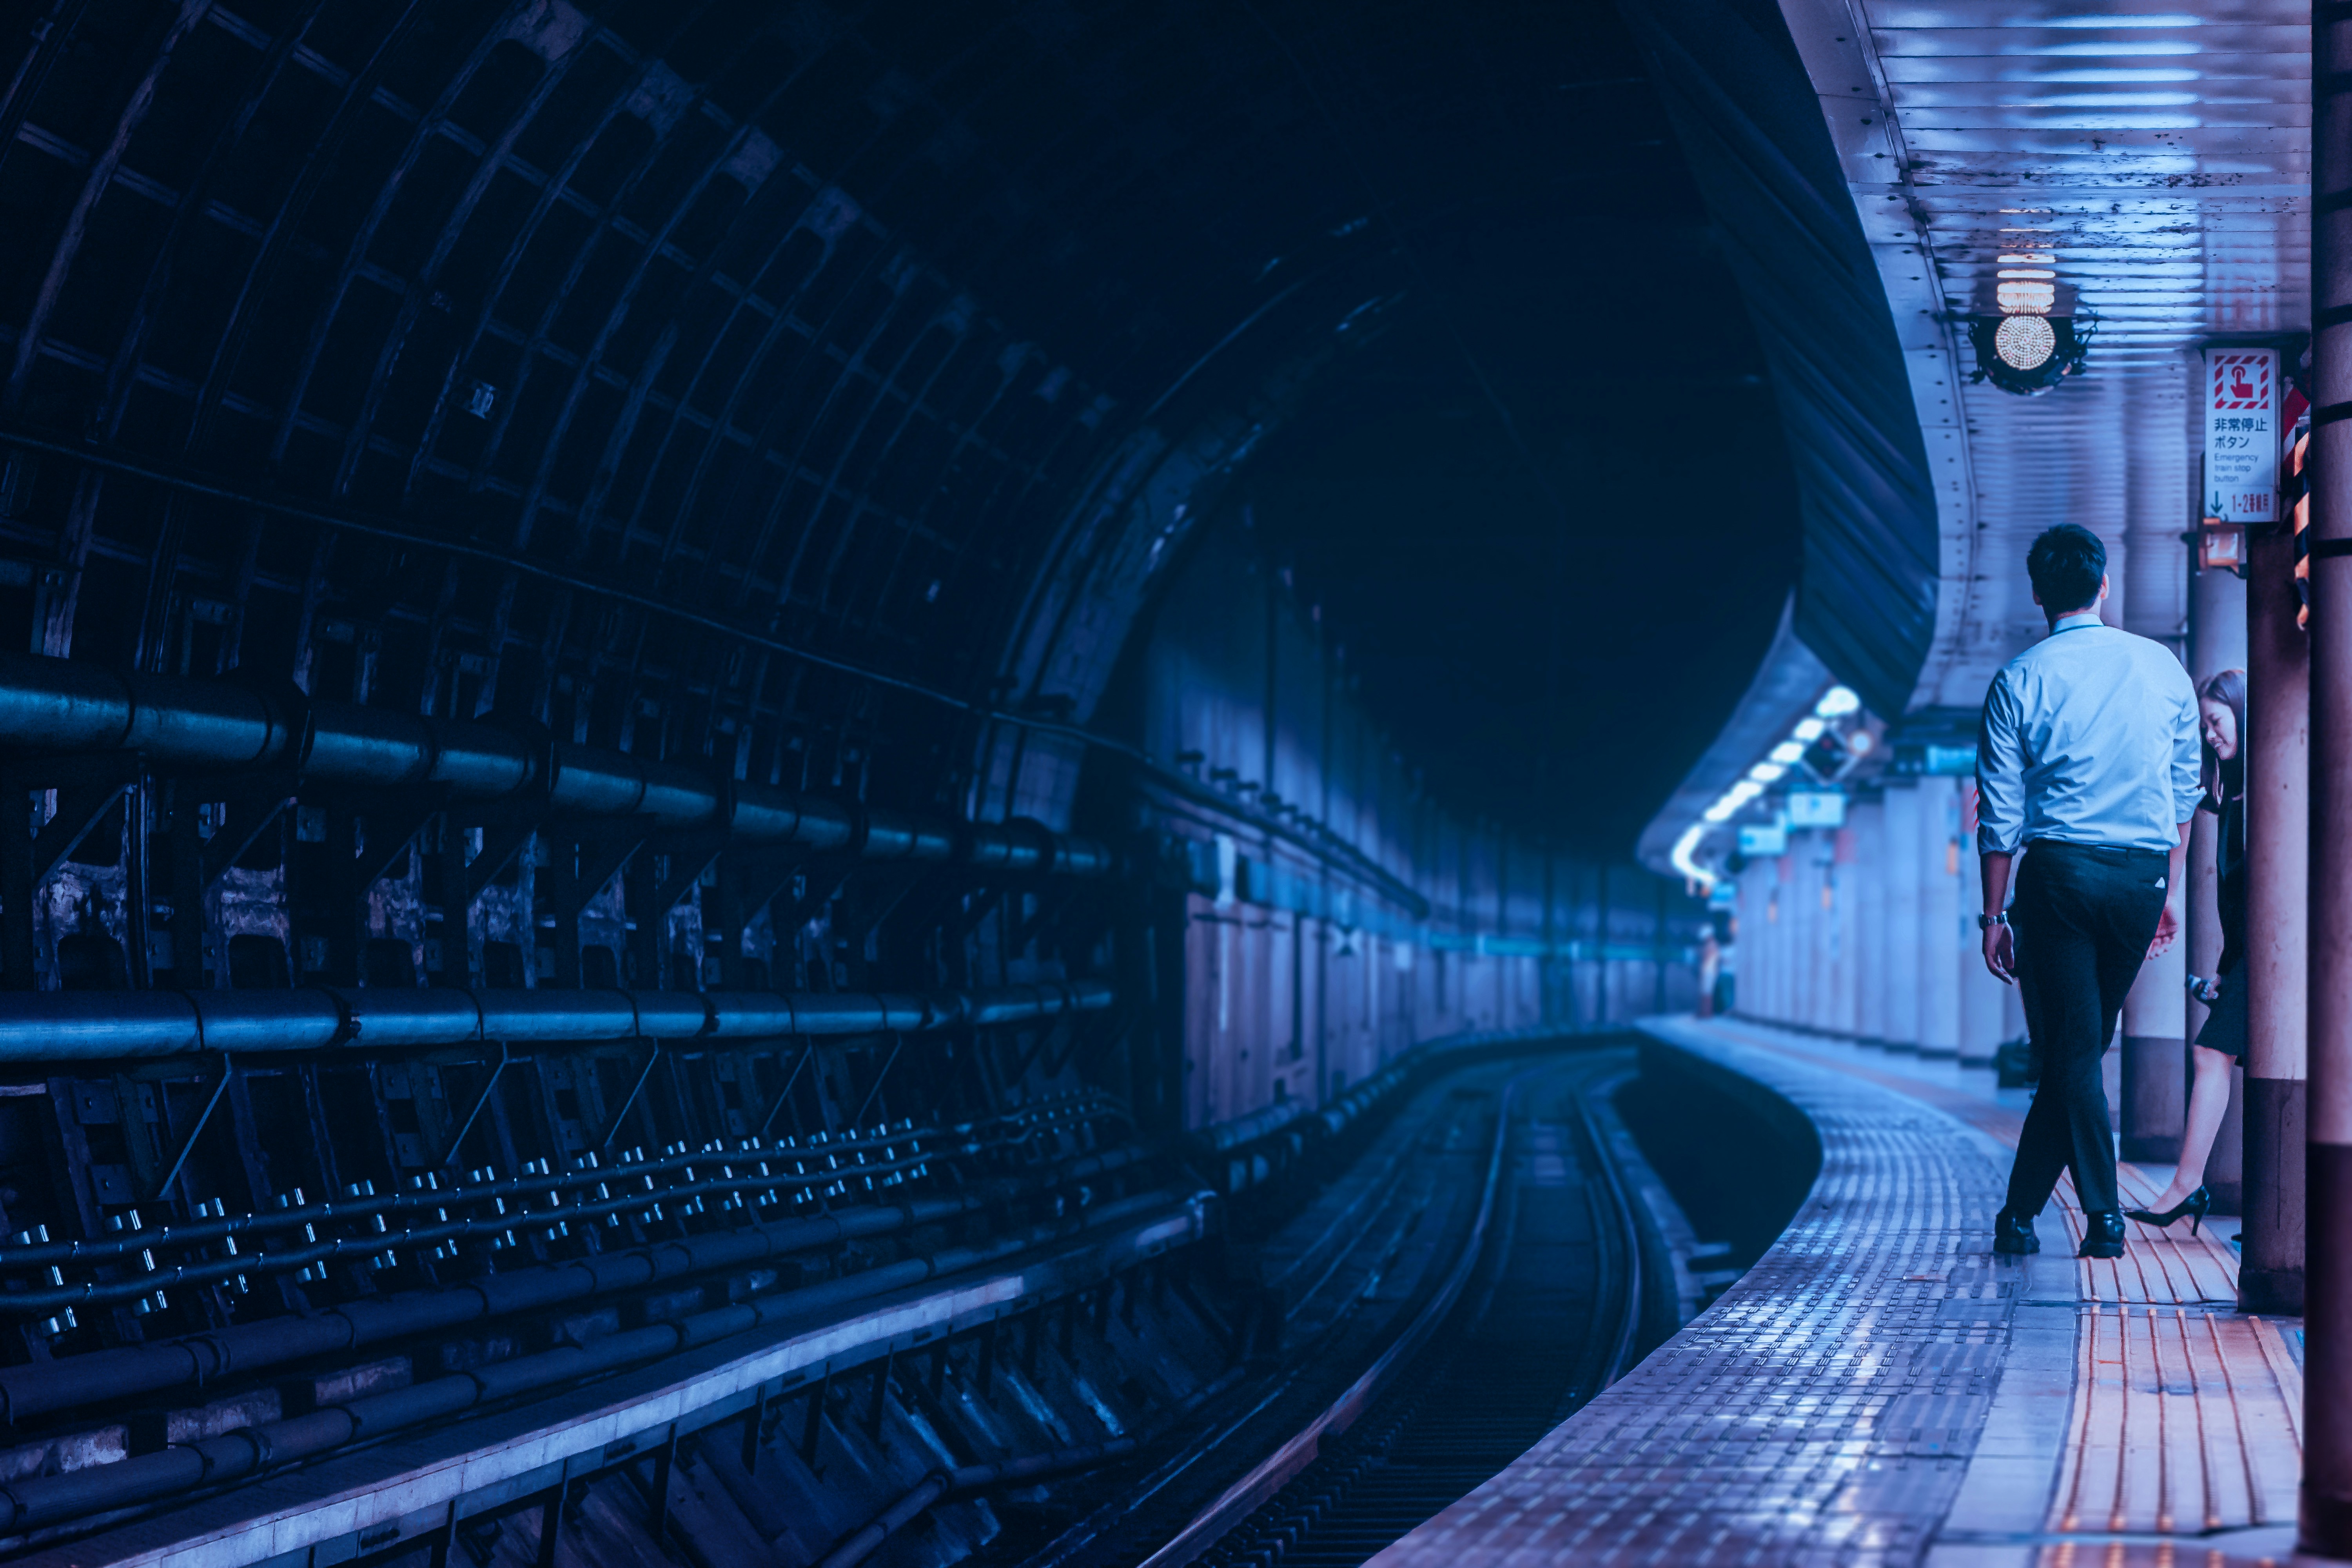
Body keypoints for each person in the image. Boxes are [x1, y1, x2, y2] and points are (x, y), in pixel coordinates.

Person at [1976, 524, 2201, 1260]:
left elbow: (2001, 815)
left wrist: (1992, 915)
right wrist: (2167, 883)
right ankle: (2018, 1216)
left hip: (2061, 878)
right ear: (2104, 586)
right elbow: (2183, 790)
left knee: (2072, 1053)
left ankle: (2104, 1216)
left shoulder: (2020, 678)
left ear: (2038, 593)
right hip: (2140, 875)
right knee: (2082, 1046)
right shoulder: (2162, 666)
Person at [2127, 669, 2247, 1233]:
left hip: (2285, 961)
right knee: (2216, 1057)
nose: (2210, 735)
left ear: (2244, 717)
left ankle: (2187, 1184)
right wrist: (2227, 969)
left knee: (2210, 1055)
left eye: (2217, 722)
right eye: (2204, 726)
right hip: (2254, 959)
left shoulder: (2267, 798)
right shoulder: (2235, 801)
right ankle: (2193, 1186)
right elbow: (2241, 902)